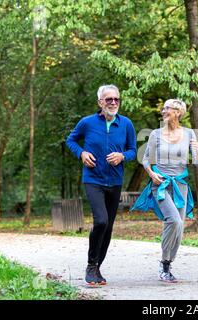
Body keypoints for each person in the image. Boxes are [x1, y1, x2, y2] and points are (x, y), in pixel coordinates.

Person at [66, 84, 136, 285]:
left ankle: (97, 268)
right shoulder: (87, 123)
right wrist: (81, 153)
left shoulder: (126, 124)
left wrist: (122, 155)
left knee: (109, 226)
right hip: (93, 179)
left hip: (115, 181)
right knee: (101, 221)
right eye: (109, 99)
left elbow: (133, 150)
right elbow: (71, 141)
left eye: (116, 99)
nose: (113, 102)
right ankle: (90, 265)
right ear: (100, 102)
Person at [131, 98, 198, 283]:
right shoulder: (155, 134)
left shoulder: (188, 133)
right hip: (160, 184)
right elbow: (146, 160)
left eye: (167, 108)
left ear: (178, 112)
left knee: (179, 229)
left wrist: (197, 151)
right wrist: (152, 174)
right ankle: (163, 263)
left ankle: (168, 264)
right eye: (162, 108)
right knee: (174, 221)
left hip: (180, 185)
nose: (163, 111)